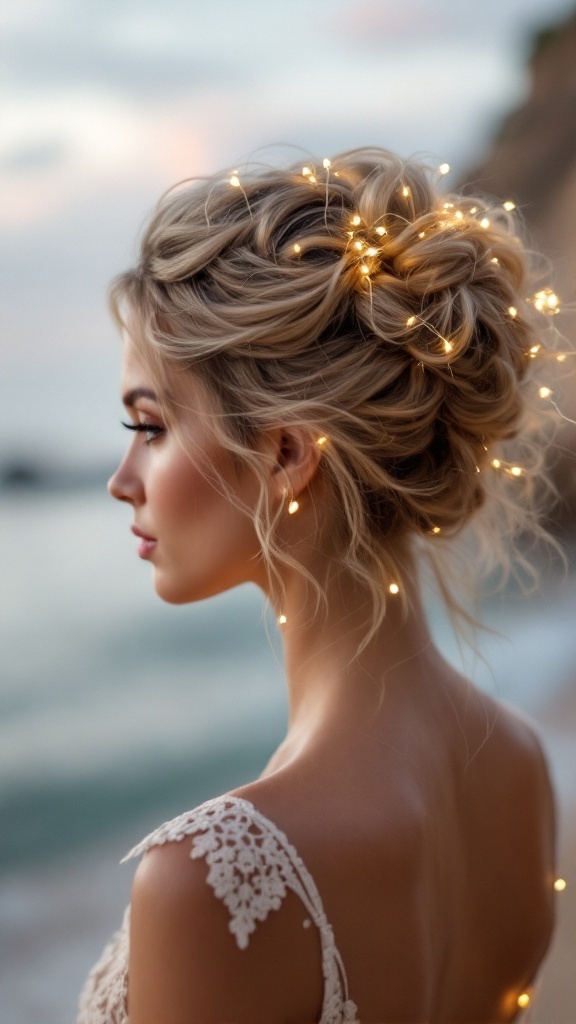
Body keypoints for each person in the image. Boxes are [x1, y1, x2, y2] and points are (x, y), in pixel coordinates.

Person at [77, 148, 561, 1023]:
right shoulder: (521, 769)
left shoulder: (215, 879)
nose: (122, 477)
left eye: (149, 425)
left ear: (288, 456)